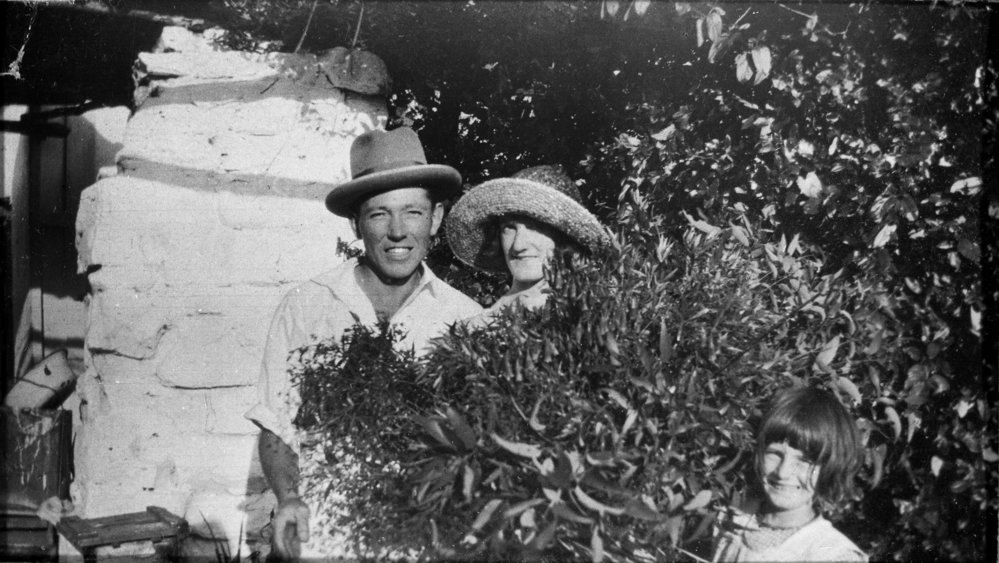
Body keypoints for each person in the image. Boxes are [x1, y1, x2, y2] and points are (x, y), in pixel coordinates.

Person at [244, 127, 482, 560]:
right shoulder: (306, 305)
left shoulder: (464, 319)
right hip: (322, 537)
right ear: (355, 223)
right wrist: (289, 497)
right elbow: (277, 425)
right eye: (378, 215)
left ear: (437, 217)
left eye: (412, 212)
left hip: (420, 541)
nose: (397, 231)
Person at [712, 386, 868, 562]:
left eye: (805, 461)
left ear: (830, 467)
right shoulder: (729, 520)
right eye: (774, 454)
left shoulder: (832, 554)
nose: (783, 472)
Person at [445, 164, 610, 324]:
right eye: (509, 228)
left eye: (535, 228)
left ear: (563, 237)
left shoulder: (592, 318)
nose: (518, 245)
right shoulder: (470, 329)